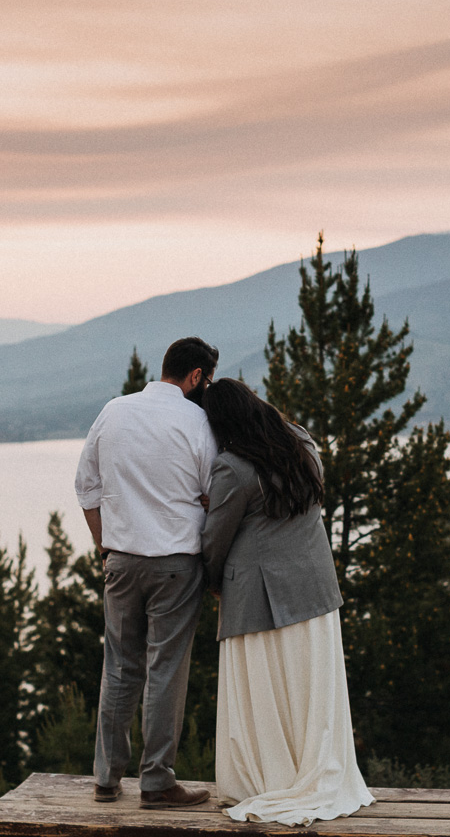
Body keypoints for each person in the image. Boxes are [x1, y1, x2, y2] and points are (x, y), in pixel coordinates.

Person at [200, 378, 374, 826]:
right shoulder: (303, 444)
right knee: (310, 687)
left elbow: (214, 541)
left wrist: (212, 581)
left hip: (256, 595)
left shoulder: (232, 469)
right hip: (314, 588)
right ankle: (308, 769)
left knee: (264, 688)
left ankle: (268, 776)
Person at [74, 336, 219, 809]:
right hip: (176, 562)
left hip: (120, 558)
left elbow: (86, 486)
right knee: (166, 669)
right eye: (207, 380)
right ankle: (156, 781)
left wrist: (103, 546)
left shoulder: (113, 411)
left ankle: (106, 779)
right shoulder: (196, 419)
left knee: (118, 667)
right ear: (196, 377)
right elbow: (212, 491)